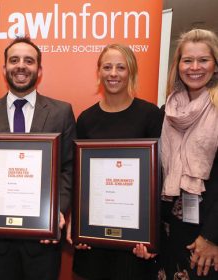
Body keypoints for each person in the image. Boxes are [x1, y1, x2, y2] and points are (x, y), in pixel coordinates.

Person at [0, 36, 76, 280]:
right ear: (4, 68)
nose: (21, 66)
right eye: (14, 60)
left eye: (29, 60)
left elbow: (68, 167)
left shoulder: (61, 112)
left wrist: (58, 209)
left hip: (43, 241)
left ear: (39, 69)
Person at [69, 44, 163, 280]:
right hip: (94, 235)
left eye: (121, 67)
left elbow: (158, 178)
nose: (113, 73)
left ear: (130, 72)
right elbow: (80, 178)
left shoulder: (151, 115)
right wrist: (77, 224)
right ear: (98, 72)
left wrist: (151, 232)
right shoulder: (86, 119)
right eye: (107, 66)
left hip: (134, 239)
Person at [160, 28, 218, 279]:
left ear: (215, 66)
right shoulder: (167, 110)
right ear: (178, 65)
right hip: (169, 228)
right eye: (187, 60)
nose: (195, 67)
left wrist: (212, 237)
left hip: (207, 231)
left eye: (203, 60)